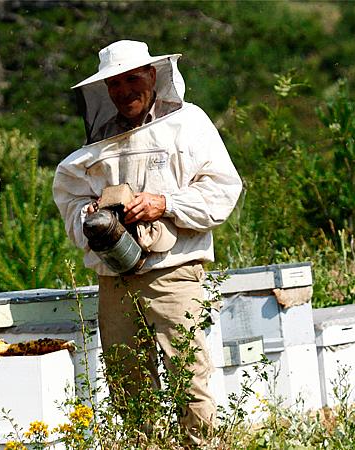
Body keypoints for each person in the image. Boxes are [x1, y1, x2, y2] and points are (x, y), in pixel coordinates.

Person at [53, 40, 242, 442]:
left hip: (173, 274)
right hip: (114, 278)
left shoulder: (189, 124)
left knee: (189, 378)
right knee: (127, 385)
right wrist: (89, 215)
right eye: (115, 84)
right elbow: (69, 194)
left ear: (152, 75)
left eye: (131, 79)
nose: (123, 91)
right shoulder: (100, 140)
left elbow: (224, 190)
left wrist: (165, 203)